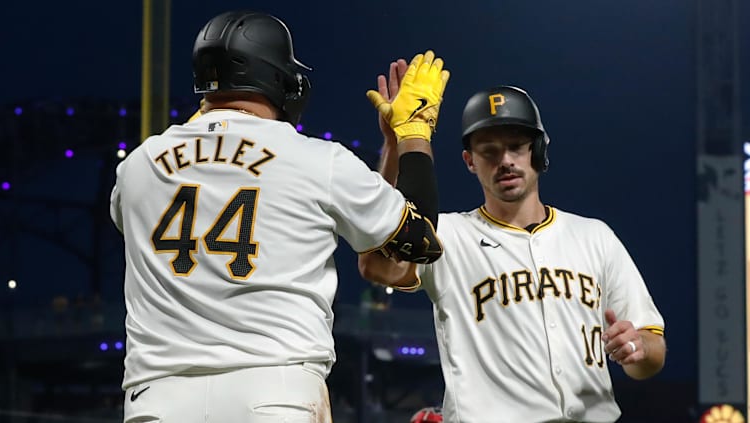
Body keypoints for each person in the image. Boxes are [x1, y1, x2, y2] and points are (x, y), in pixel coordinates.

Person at [109, 10, 449, 423]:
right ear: (279, 80)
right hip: (274, 390)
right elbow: (419, 241)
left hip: (158, 397)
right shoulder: (316, 160)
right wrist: (412, 135)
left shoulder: (139, 165)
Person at [359, 84, 667, 422]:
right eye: (489, 151)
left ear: (538, 150)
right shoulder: (448, 236)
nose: (505, 160)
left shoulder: (595, 236)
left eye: (517, 147)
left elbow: (652, 353)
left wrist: (637, 347)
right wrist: (394, 144)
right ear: (469, 161)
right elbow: (377, 264)